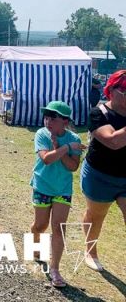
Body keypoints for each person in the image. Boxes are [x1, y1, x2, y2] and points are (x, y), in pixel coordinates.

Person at [29, 101, 86, 288]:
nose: (48, 122)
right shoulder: (41, 134)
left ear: (65, 121)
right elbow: (47, 159)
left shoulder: (74, 138)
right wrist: (66, 148)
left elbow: (73, 167)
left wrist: (61, 147)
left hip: (62, 189)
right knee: (40, 225)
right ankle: (35, 240)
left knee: (59, 228)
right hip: (42, 185)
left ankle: (55, 269)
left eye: (53, 118)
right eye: (46, 117)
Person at [80, 70, 126, 272]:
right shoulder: (98, 114)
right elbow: (113, 141)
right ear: (112, 91)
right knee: (96, 216)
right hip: (100, 175)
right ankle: (90, 252)